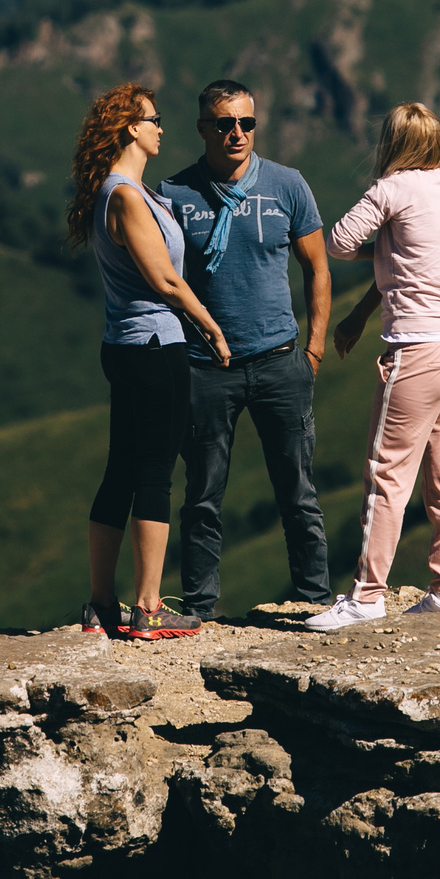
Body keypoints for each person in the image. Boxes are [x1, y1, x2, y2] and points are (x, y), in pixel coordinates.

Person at [160, 80, 334, 622]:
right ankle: (199, 609)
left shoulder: (287, 185)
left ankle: (314, 600)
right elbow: (161, 277)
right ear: (202, 129)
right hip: (205, 367)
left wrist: (314, 351)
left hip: (281, 359)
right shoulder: (174, 192)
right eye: (224, 123)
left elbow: (318, 268)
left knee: (298, 490)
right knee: (203, 494)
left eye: (246, 123)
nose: (237, 133)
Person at [66, 81, 230, 641]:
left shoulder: (116, 192)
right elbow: (163, 278)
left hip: (124, 344)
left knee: (121, 469)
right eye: (154, 119)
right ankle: (148, 607)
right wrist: (210, 327)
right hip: (156, 346)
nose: (163, 127)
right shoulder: (129, 196)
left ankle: (100, 604)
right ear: (131, 129)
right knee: (155, 473)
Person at [308, 102, 440, 630]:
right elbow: (428, 251)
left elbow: (338, 242)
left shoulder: (393, 189)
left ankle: (366, 597)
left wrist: (384, 242)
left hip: (417, 349)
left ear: (394, 144)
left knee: (387, 476)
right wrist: (397, 246)